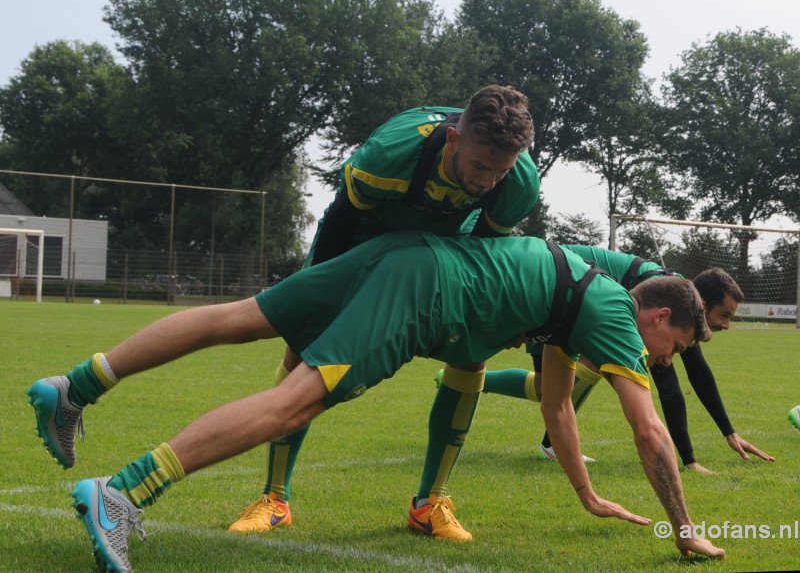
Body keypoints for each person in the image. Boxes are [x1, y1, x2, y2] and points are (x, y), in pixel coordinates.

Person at [27, 232, 724, 571]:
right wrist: (684, 528)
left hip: (403, 255)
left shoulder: (584, 303)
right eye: (674, 349)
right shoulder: (613, 315)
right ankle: (119, 492)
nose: (662, 363)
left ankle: (73, 387)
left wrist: (586, 493)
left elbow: (558, 408)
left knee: (241, 316)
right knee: (296, 402)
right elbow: (650, 432)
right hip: (424, 295)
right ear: (659, 317)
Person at [231, 84, 540, 534]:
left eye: (500, 170)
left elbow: (487, 253)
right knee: (301, 349)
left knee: (471, 352)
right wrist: (317, 307)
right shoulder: (391, 153)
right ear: (454, 139)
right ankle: (274, 499)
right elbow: (342, 220)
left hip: (446, 245)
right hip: (362, 235)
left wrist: (487, 315)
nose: (488, 180)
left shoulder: (516, 183)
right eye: (479, 165)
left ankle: (430, 503)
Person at [474, 246, 774, 471]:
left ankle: (479, 383)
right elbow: (668, 386)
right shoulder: (673, 302)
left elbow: (699, 373)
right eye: (724, 315)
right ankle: (549, 444)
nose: (726, 325)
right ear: (704, 303)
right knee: (581, 372)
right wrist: (689, 461)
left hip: (571, 299)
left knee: (546, 388)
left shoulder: (683, 301)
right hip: (557, 294)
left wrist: (729, 433)